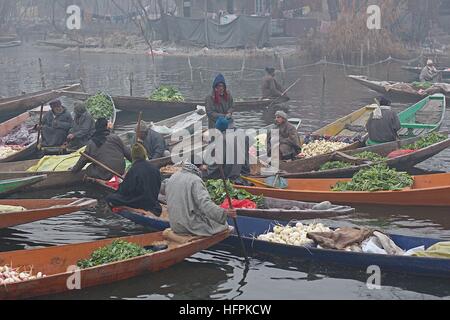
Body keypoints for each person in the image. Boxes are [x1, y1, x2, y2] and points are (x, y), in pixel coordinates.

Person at [164, 162, 236, 237]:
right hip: (189, 226)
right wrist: (225, 213)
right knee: (224, 225)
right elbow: (205, 205)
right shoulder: (195, 180)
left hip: (175, 225)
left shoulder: (173, 176)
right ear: (200, 167)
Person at [105, 143, 162, 215]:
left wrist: (118, 191)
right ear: (144, 154)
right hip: (153, 203)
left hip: (140, 202)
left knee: (110, 198)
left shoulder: (134, 169)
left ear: (133, 156)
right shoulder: (155, 168)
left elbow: (124, 190)